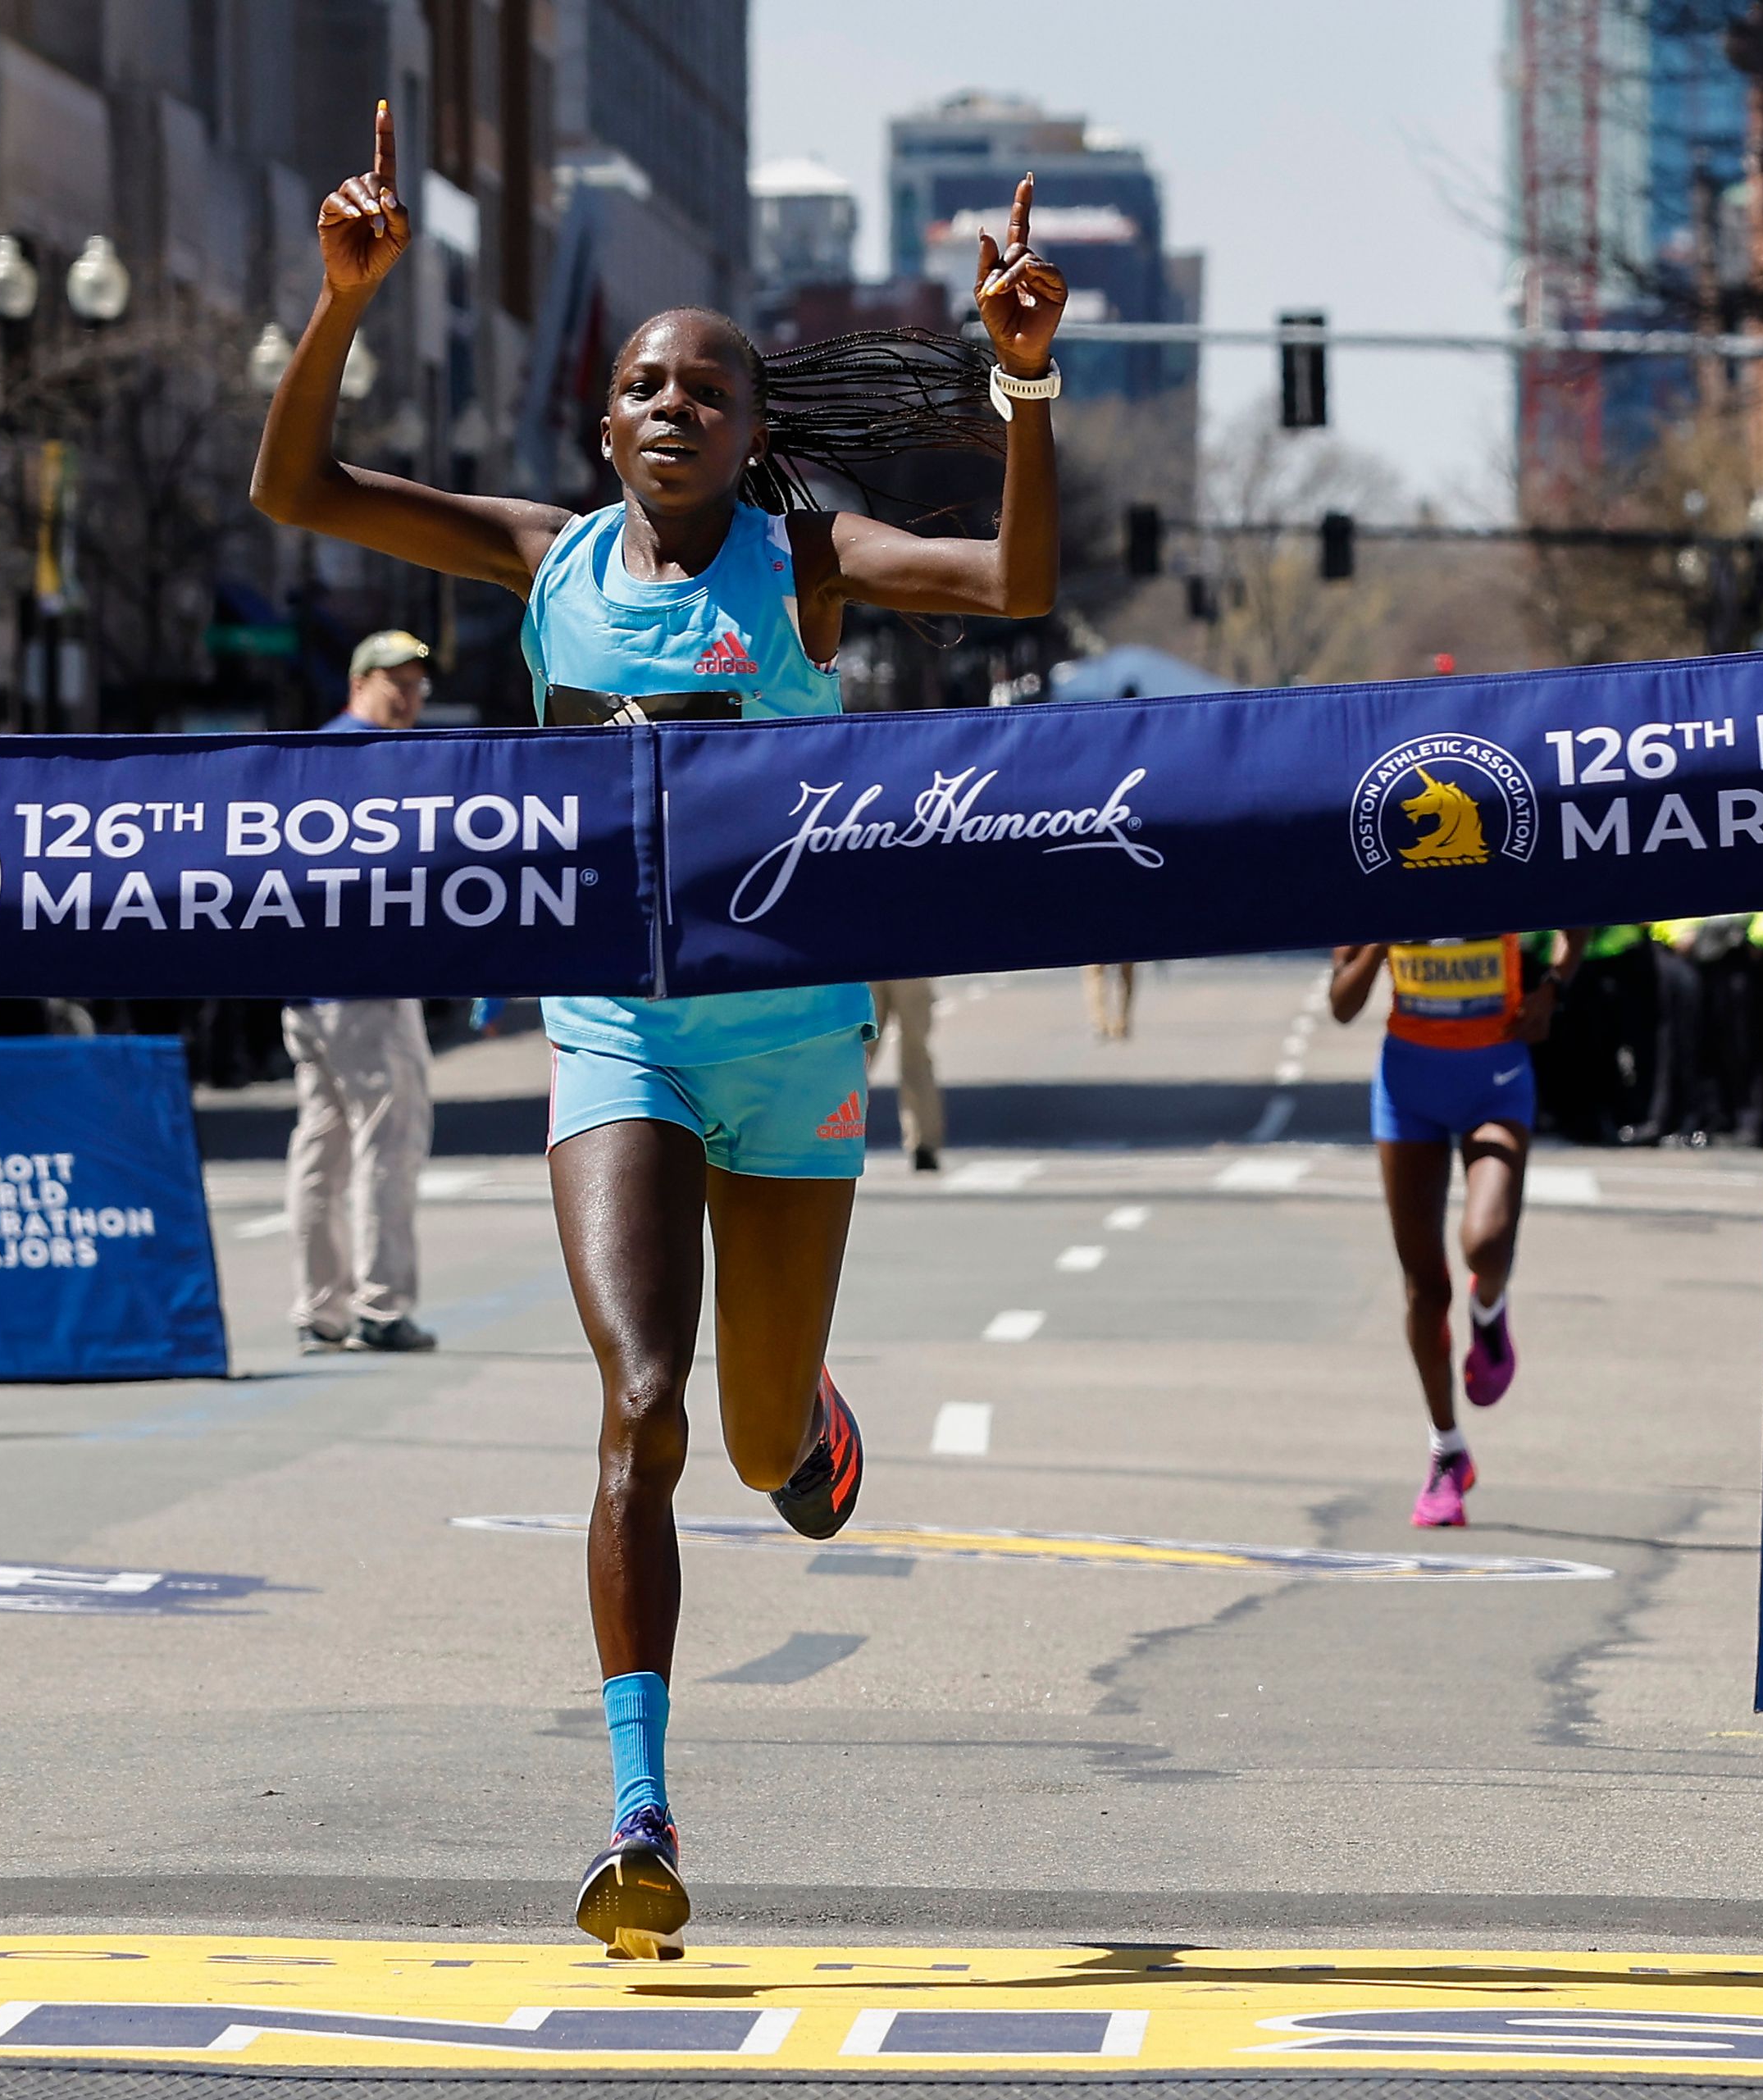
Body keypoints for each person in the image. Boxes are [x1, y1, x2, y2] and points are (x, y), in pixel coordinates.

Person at [252, 102, 1064, 1957]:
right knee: (637, 1402)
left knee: (760, 1432)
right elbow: (297, 492)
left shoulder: (807, 564)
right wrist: (339, 305)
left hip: (789, 1046)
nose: (673, 401)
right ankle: (637, 1804)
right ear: (601, 424)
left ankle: (807, 1428)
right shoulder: (545, 561)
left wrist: (1019, 388)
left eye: (708, 384)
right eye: (641, 382)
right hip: (615, 1031)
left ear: (754, 428)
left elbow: (1014, 587)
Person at [1328, 927, 1588, 1528]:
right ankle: (1447, 1450)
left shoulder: (1494, 858)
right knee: (1424, 1286)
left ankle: (1490, 1310)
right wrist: (1381, 939)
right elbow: (1342, 1005)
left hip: (1494, 1078)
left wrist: (1552, 987)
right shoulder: (1374, 868)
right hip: (1408, 1087)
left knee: (1486, 1243)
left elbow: (1577, 918)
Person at [279, 629, 449, 1355]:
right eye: (394, 681)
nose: (407, 696)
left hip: (311, 984)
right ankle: (381, 1304)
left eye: (415, 684)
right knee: (388, 1139)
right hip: (368, 980)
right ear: (358, 682)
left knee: (322, 1142)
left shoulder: (315, 754)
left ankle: (321, 1306)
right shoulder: (371, 759)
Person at [869, 977, 943, 1171]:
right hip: (876, 961)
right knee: (858, 1055)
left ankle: (924, 1144)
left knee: (915, 1054)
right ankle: (834, 1132)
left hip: (906, 962)